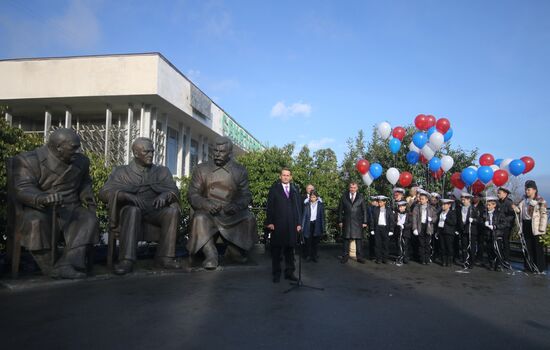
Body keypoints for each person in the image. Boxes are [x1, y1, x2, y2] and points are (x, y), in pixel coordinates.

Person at [12, 128, 99, 279]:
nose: (77, 151)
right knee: (35, 222)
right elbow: (22, 188)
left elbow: (85, 182)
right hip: (41, 208)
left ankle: (67, 264)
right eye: (73, 147)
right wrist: (42, 197)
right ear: (58, 147)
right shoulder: (29, 160)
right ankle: (49, 267)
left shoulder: (82, 161)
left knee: (89, 219)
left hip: (71, 206)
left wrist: (87, 196)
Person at [100, 137, 182, 275]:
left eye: (152, 151)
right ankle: (127, 260)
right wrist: (125, 196)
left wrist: (165, 195)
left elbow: (174, 191)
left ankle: (165, 258)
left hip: (154, 211)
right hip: (130, 211)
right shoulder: (121, 172)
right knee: (133, 211)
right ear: (136, 153)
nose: (150, 154)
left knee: (171, 213)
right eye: (146, 152)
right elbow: (104, 193)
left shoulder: (162, 171)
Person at [186, 137, 258, 270]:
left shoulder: (239, 170)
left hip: (229, 211)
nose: (217, 154)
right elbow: (192, 194)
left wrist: (236, 206)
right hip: (207, 211)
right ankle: (211, 254)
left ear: (230, 153)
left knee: (249, 218)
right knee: (200, 218)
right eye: (216, 151)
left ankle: (234, 250)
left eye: (222, 151)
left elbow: (245, 194)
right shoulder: (202, 169)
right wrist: (206, 204)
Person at [266, 168, 302, 283]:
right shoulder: (274, 189)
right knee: (277, 251)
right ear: (280, 176)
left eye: (288, 175)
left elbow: (298, 208)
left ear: (291, 177)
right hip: (278, 225)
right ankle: (276, 274)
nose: (286, 177)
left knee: (290, 251)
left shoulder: (295, 190)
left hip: (292, 225)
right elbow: (270, 206)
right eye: (284, 175)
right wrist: (270, 222)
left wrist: (299, 223)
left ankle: (289, 273)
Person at [514, 180, 547, 273]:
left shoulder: (540, 200)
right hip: (525, 224)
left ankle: (539, 268)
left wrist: (541, 228)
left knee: (537, 248)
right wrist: (515, 208)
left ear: (534, 190)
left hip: (536, 227)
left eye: (528, 189)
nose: (526, 191)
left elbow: (544, 215)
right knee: (527, 247)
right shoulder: (523, 199)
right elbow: (519, 210)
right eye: (525, 189)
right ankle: (528, 266)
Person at [337, 182, 368, 264]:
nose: (352, 189)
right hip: (346, 221)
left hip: (358, 222)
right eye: (351, 187)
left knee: (359, 240)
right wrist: (340, 220)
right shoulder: (344, 197)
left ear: (357, 188)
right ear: (349, 188)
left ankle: (360, 257)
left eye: (354, 187)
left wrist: (365, 221)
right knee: (346, 239)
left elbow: (364, 210)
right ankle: (345, 256)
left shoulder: (361, 197)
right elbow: (340, 210)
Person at [481, 196, 511, 271]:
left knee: (497, 250)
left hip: (496, 235)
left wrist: (495, 226)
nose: (488, 207)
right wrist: (484, 223)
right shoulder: (485, 213)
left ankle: (498, 265)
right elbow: (480, 221)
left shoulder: (499, 213)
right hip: (488, 235)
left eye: (489, 205)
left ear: (494, 205)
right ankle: (491, 264)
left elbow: (504, 223)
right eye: (487, 205)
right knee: (489, 250)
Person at [411, 190, 437, 264]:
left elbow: (435, 217)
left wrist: (431, 220)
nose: (421, 200)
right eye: (420, 198)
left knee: (427, 244)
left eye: (422, 199)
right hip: (420, 226)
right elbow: (414, 218)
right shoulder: (417, 207)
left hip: (428, 227)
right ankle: (422, 259)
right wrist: (415, 228)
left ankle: (427, 259)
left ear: (427, 199)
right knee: (421, 244)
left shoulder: (431, 208)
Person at [456, 192, 480, 268]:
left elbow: (479, 220)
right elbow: (459, 219)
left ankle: (471, 262)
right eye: (462, 200)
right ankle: (465, 260)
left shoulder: (474, 208)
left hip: (471, 230)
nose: (462, 201)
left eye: (464, 200)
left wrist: (473, 220)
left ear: (469, 200)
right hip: (463, 230)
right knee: (464, 246)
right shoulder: (460, 208)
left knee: (471, 247)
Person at [301, 190, 325, 262]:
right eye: (311, 197)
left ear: (317, 197)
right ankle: (308, 255)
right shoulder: (307, 205)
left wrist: (323, 227)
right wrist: (302, 226)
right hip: (308, 224)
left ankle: (314, 256)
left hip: (316, 224)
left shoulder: (320, 205)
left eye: (314, 197)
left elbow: (322, 217)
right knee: (308, 240)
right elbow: (304, 216)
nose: (312, 198)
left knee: (315, 242)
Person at [370, 196, 394, 264]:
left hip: (385, 228)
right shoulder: (375, 209)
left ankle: (385, 259)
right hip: (377, 228)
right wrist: (372, 229)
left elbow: (391, 220)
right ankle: (378, 259)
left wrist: (391, 230)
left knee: (385, 244)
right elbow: (372, 219)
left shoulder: (389, 210)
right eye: (378, 202)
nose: (379, 203)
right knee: (377, 244)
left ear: (384, 202)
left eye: (381, 202)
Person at [496, 187, 515, 263]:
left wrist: (505, 222)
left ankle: (506, 259)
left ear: (505, 194)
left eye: (499, 193)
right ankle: (500, 257)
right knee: (499, 242)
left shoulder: (509, 202)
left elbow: (512, 215)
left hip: (507, 226)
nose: (498, 194)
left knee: (506, 242)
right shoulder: (497, 202)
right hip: (499, 225)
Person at [437, 199, 458, 267]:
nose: (443, 206)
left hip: (448, 232)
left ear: (449, 205)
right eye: (442, 204)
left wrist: (446, 219)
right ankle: (443, 261)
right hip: (441, 231)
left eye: (444, 204)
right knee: (442, 247)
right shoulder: (441, 212)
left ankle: (449, 261)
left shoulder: (452, 212)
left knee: (449, 247)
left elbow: (453, 222)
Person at [367, 195, 379, 260]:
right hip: (372, 226)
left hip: (378, 226)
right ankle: (372, 255)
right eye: (372, 201)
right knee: (372, 241)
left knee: (378, 241)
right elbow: (369, 217)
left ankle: (377, 254)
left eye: (375, 201)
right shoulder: (369, 208)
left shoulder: (379, 208)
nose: (373, 202)